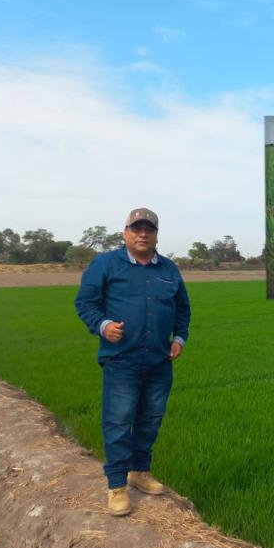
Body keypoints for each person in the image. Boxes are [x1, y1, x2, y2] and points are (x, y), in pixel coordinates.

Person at [75, 207, 191, 516]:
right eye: (136, 229)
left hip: (159, 360)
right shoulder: (105, 264)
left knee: (151, 418)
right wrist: (103, 326)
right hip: (121, 359)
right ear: (125, 233)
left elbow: (182, 308)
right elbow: (85, 303)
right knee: (119, 419)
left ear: (156, 235)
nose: (142, 234)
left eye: (148, 229)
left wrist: (180, 338)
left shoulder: (169, 269)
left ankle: (139, 471)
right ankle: (116, 485)